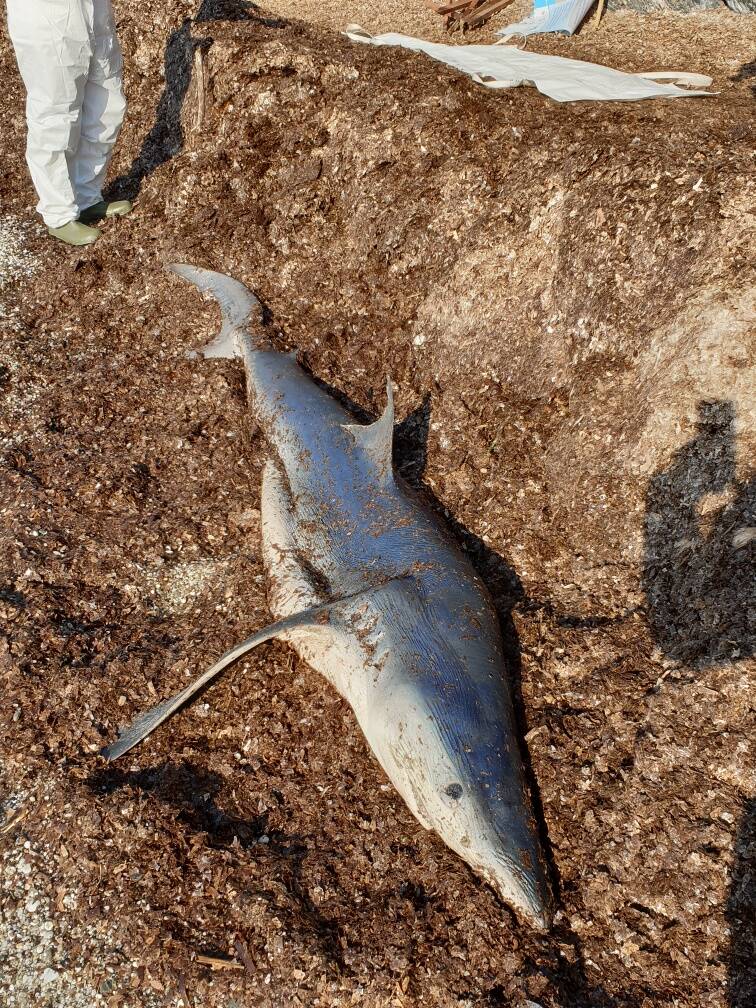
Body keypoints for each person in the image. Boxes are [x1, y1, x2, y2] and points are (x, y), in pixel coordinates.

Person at [6, 0, 131, 247]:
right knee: (56, 116)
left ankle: (87, 196)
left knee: (108, 103)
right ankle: (59, 214)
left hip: (93, 9)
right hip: (47, 14)